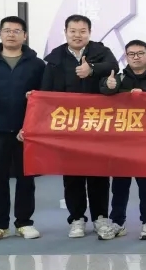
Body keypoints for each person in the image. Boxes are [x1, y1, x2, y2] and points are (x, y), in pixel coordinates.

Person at [41, 14, 119, 239]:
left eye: (82, 31)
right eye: (73, 31)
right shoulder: (55, 58)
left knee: (99, 174)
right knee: (72, 175)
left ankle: (100, 217)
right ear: (65, 32)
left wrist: (91, 69)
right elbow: (45, 93)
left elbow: (113, 67)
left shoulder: (100, 52)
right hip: (68, 127)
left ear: (89, 33)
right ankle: (76, 218)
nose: (77, 35)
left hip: (97, 125)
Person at [0, 16, 45, 244]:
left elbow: (44, 98)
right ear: (0, 34)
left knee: (26, 178)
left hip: (26, 131)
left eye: (16, 31)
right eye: (7, 30)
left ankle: (24, 223)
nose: (11, 34)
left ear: (25, 36)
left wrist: (33, 116)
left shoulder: (37, 65)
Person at [102, 40, 146, 240]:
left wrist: (145, 97)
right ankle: (117, 222)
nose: (136, 57)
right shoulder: (119, 78)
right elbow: (105, 93)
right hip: (122, 141)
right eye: (131, 54)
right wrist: (108, 86)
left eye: (140, 53)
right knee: (119, 185)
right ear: (126, 57)